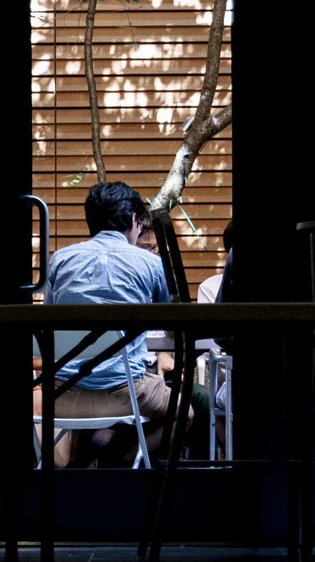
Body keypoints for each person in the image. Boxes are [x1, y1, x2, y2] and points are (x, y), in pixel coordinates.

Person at [43, 180, 203, 466]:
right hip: (124, 394)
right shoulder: (150, 263)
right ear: (132, 219)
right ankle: (125, 459)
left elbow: (49, 322)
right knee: (185, 413)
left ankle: (83, 472)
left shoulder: (60, 260)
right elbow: (171, 326)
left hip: (64, 395)